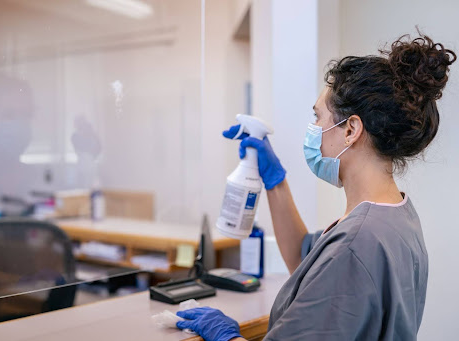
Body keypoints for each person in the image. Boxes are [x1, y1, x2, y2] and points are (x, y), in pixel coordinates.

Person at [175, 32, 456, 340]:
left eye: (317, 117)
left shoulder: (356, 243)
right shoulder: (396, 215)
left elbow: (337, 266)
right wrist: (276, 183)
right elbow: (305, 259)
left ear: (351, 129)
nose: (313, 130)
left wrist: (226, 336)